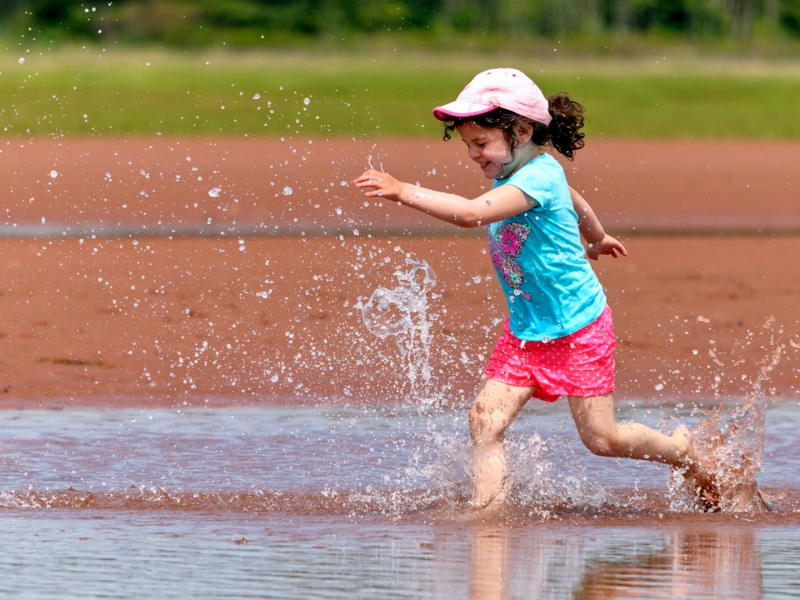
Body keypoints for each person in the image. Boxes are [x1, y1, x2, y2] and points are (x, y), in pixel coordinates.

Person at [354, 68, 704, 512]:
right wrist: (594, 235)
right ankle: (490, 514)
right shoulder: (533, 171)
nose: (472, 155)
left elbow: (468, 214)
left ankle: (683, 453)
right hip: (526, 331)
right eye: (467, 146)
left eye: (481, 144)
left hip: (578, 328)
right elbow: (574, 197)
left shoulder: (538, 177)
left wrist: (403, 191)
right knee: (484, 422)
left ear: (521, 130)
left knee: (602, 438)